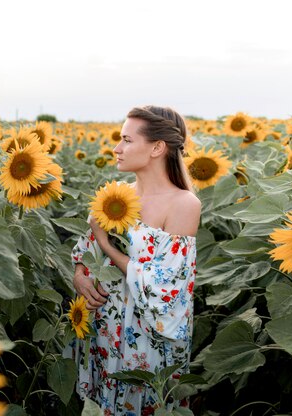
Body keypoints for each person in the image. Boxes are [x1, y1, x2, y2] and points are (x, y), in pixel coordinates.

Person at [69, 106, 201, 415]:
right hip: (104, 331)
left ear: (157, 148)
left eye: (127, 140)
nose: (117, 148)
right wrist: (80, 275)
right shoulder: (115, 195)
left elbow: (165, 288)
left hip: (146, 342)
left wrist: (106, 244)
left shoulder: (183, 204)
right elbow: (83, 252)